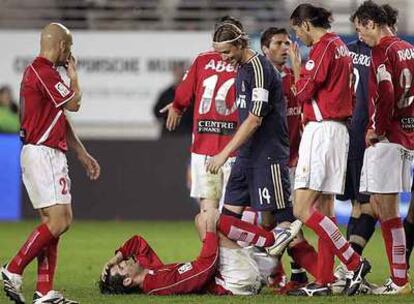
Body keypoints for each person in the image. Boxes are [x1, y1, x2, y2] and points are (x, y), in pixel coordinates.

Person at [1, 23, 101, 304]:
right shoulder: (42, 71)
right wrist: (74, 76)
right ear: (60, 46)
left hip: (49, 152)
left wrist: (81, 153)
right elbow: (74, 104)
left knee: (56, 222)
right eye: (68, 47)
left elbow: (60, 117)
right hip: (41, 152)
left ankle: (45, 292)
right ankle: (13, 269)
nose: (69, 53)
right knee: (58, 220)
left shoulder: (44, 74)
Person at [287, 3, 371, 296]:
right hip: (338, 132)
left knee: (301, 208)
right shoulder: (342, 47)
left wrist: (298, 70)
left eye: (297, 30)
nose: (299, 37)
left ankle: (353, 261)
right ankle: (322, 281)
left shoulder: (324, 47)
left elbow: (303, 91)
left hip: (322, 131)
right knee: (325, 209)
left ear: (306, 24)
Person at [352, 0, 414, 294]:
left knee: (386, 209)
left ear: (370, 24)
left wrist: (377, 128)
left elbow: (386, 91)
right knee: (378, 204)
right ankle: (398, 277)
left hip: (388, 138)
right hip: (406, 134)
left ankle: (399, 281)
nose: (360, 37)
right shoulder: (408, 49)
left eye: (360, 30)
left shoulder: (382, 50)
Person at [99, 210, 302, 295]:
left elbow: (138, 243)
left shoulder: (150, 273)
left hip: (235, 277)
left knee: (201, 219)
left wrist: (114, 258)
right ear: (127, 281)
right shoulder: (157, 284)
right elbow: (201, 272)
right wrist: (212, 232)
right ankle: (269, 243)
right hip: (235, 283)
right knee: (209, 218)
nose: (127, 260)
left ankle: (266, 251)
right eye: (123, 265)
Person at [260, 27, 319, 293]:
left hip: (294, 160)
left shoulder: (298, 74)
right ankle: (280, 273)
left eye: (287, 42)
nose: (285, 47)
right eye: (278, 43)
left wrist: (297, 72)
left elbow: (307, 102)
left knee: (290, 219)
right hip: (270, 159)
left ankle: (303, 274)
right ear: (265, 49)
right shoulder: (260, 79)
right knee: (268, 221)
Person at [163, 16, 240, 211]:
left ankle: (210, 242)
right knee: (233, 213)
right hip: (235, 149)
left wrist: (177, 106)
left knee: (208, 209)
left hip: (204, 148)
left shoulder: (203, 59)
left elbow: (183, 92)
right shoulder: (246, 62)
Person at [153, 64, 193, 138]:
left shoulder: (192, 93)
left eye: (183, 74)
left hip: (188, 133)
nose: (180, 77)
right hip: (169, 134)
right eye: (178, 74)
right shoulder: (166, 94)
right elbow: (157, 112)